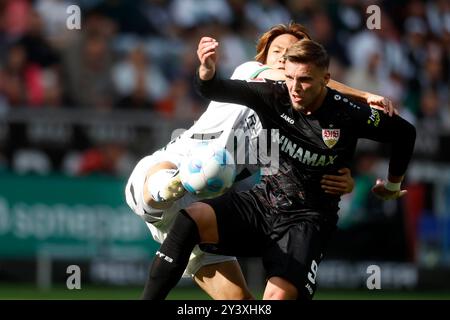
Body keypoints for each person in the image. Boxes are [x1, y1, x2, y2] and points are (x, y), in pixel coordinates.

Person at [126, 23, 396, 300]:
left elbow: (307, 167)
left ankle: (180, 189)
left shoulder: (291, 122)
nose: (283, 57)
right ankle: (171, 185)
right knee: (162, 185)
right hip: (174, 165)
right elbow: (296, 77)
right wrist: (363, 95)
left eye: (292, 53)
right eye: (277, 51)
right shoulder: (249, 73)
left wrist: (344, 178)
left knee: (241, 303)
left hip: (198, 210)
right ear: (263, 59)